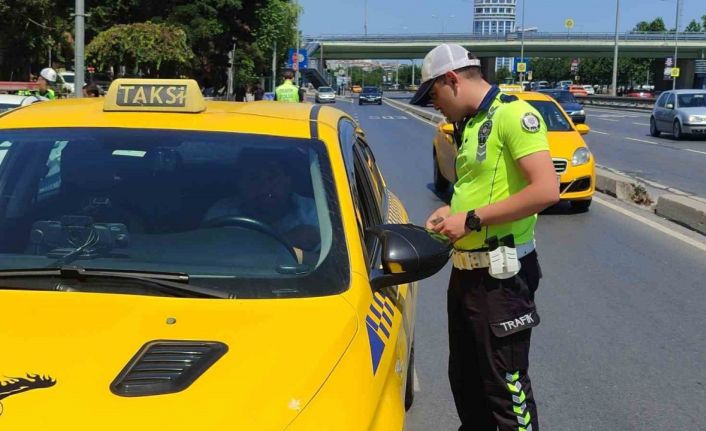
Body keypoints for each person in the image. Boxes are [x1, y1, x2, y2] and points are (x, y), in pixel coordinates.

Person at [411, 44, 559, 431]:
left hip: (501, 279)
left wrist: (472, 220)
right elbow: (479, 187)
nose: (433, 104)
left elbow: (546, 190)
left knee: (507, 395)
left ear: (452, 80)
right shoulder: (471, 123)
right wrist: (451, 212)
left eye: (434, 94)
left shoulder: (514, 115)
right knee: (466, 385)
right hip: (466, 275)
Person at [202, 155, 319, 263]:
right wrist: (286, 242)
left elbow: (329, 266)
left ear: (288, 180)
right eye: (253, 177)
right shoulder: (222, 213)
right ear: (240, 183)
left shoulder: (314, 212)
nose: (264, 187)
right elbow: (208, 259)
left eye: (273, 176)